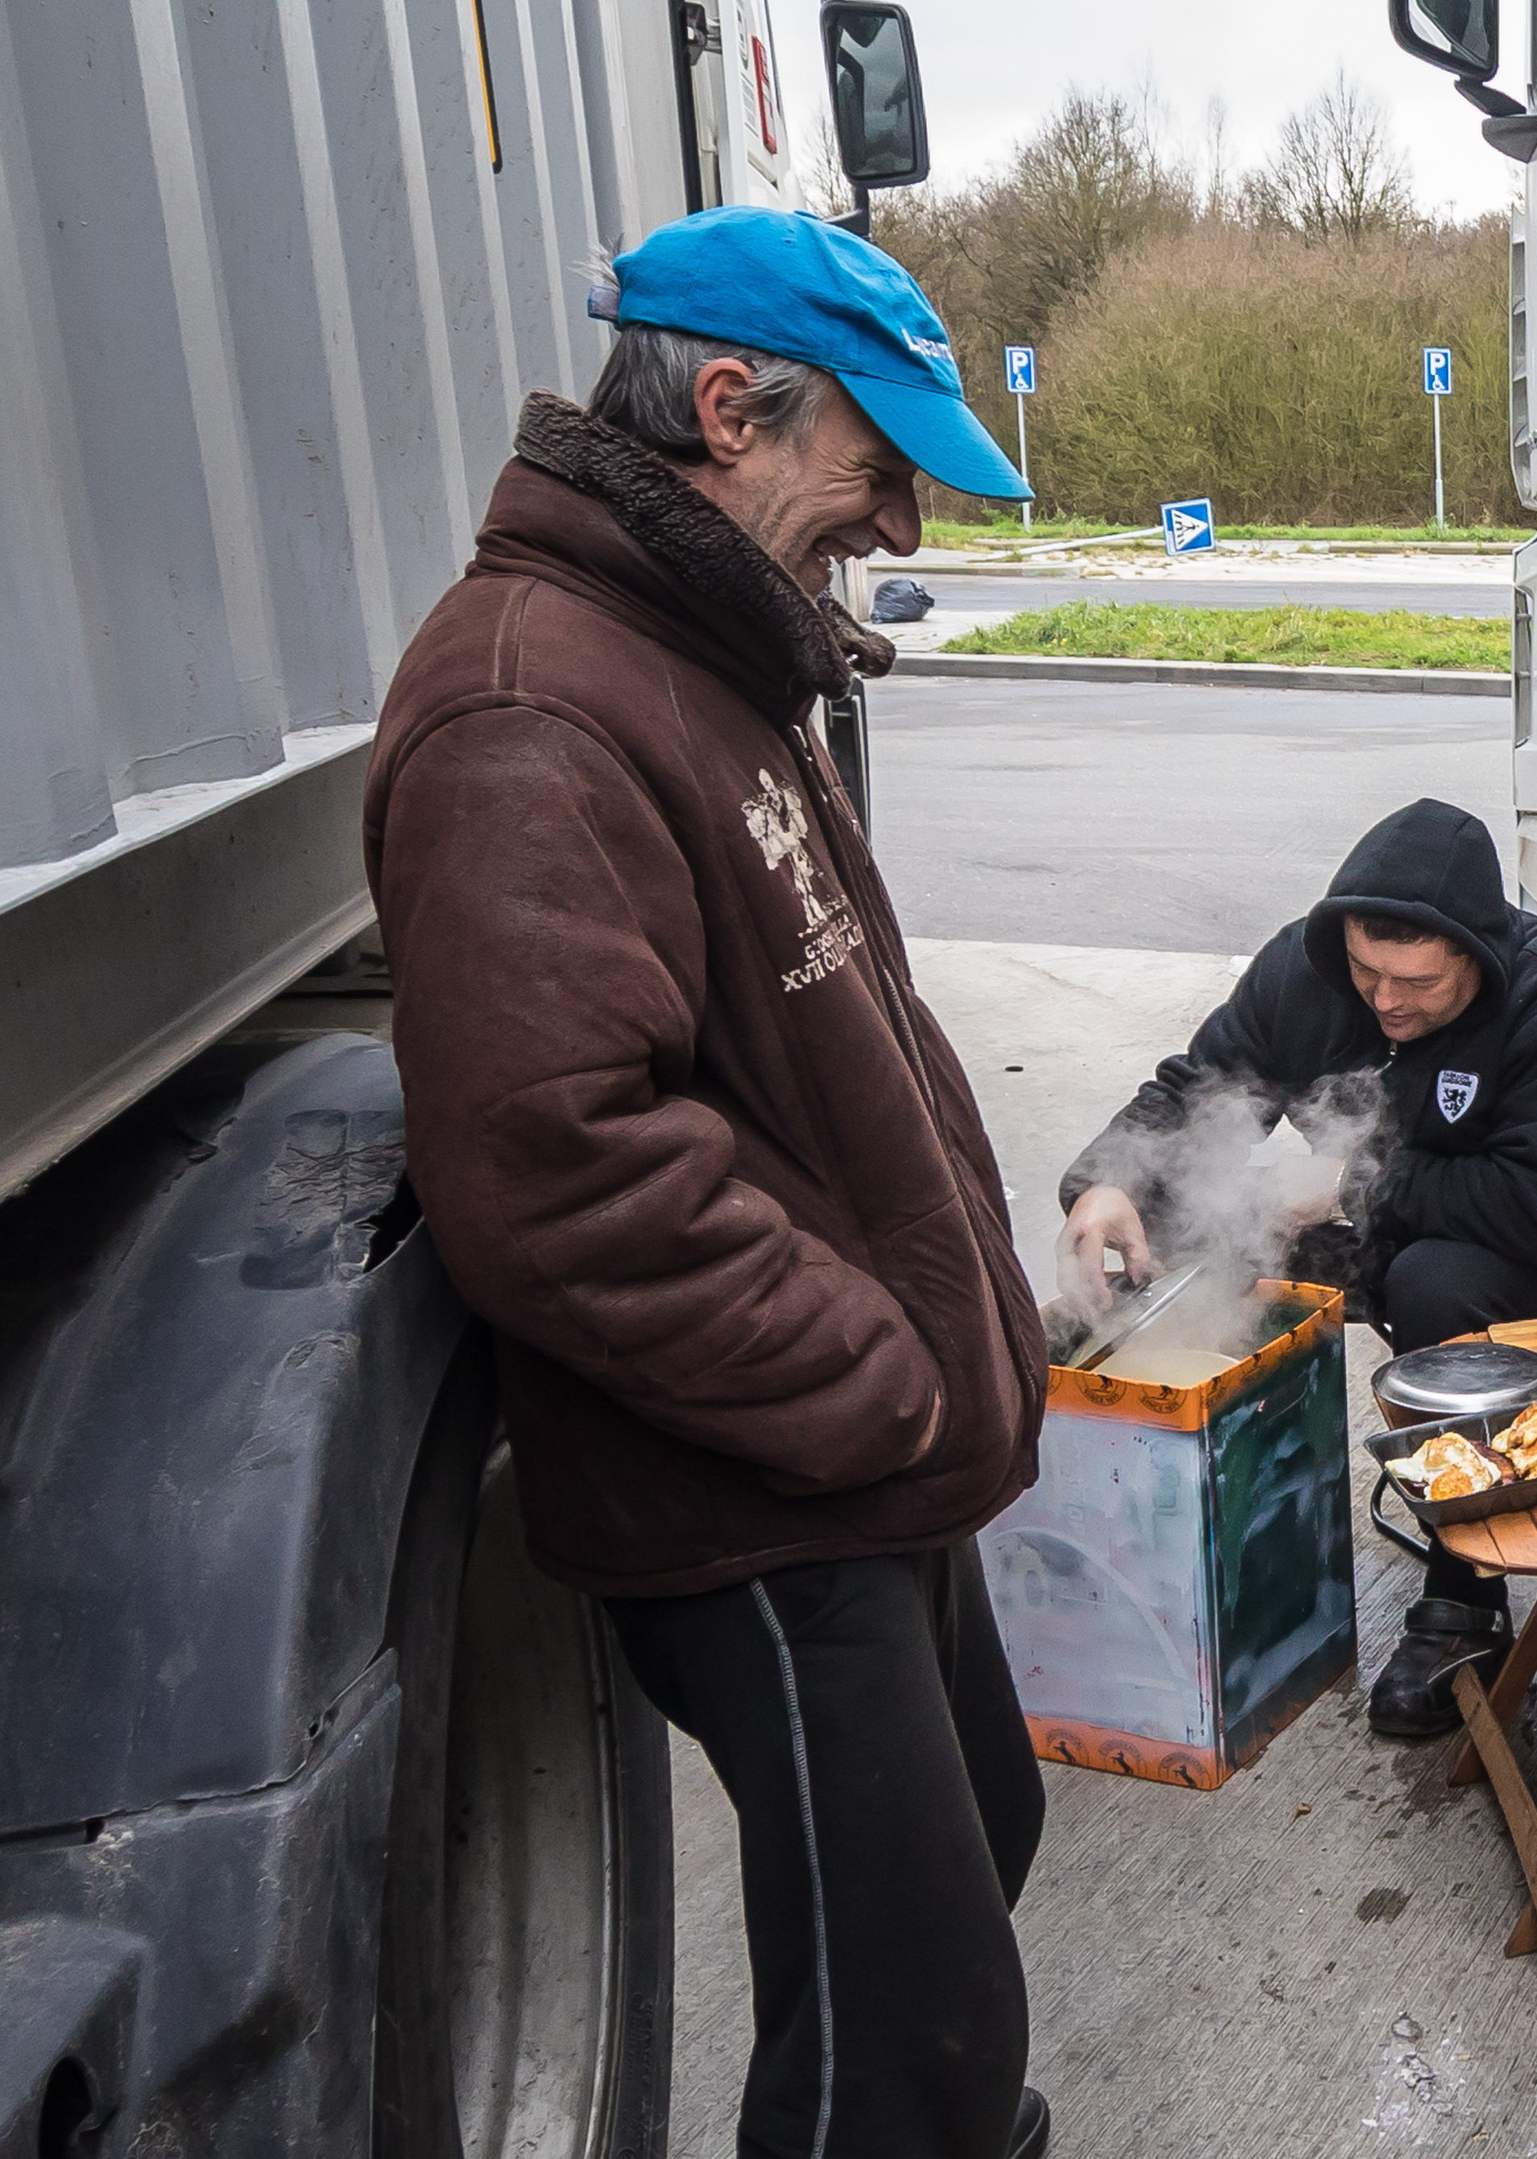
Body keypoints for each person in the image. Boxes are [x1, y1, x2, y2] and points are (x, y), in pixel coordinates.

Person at [365, 207, 1054, 2159]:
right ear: (733, 407)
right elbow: (556, 1168)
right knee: (907, 2035)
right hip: (757, 1488)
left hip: (854, 1457)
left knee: (970, 1848)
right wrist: (880, 1371)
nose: (904, 524)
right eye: (880, 464)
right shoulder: (530, 700)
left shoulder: (697, 650)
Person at [1056, 799, 1537, 1738]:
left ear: (1479, 954)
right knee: (1187, 1217)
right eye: (1367, 970)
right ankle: (1155, 1522)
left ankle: (1465, 1601)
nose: (1384, 999)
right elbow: (1198, 1087)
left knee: (1435, 1284)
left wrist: (1344, 1180)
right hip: (1384, 1225)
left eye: (1416, 981)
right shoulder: (1306, 970)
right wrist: (1109, 1183)